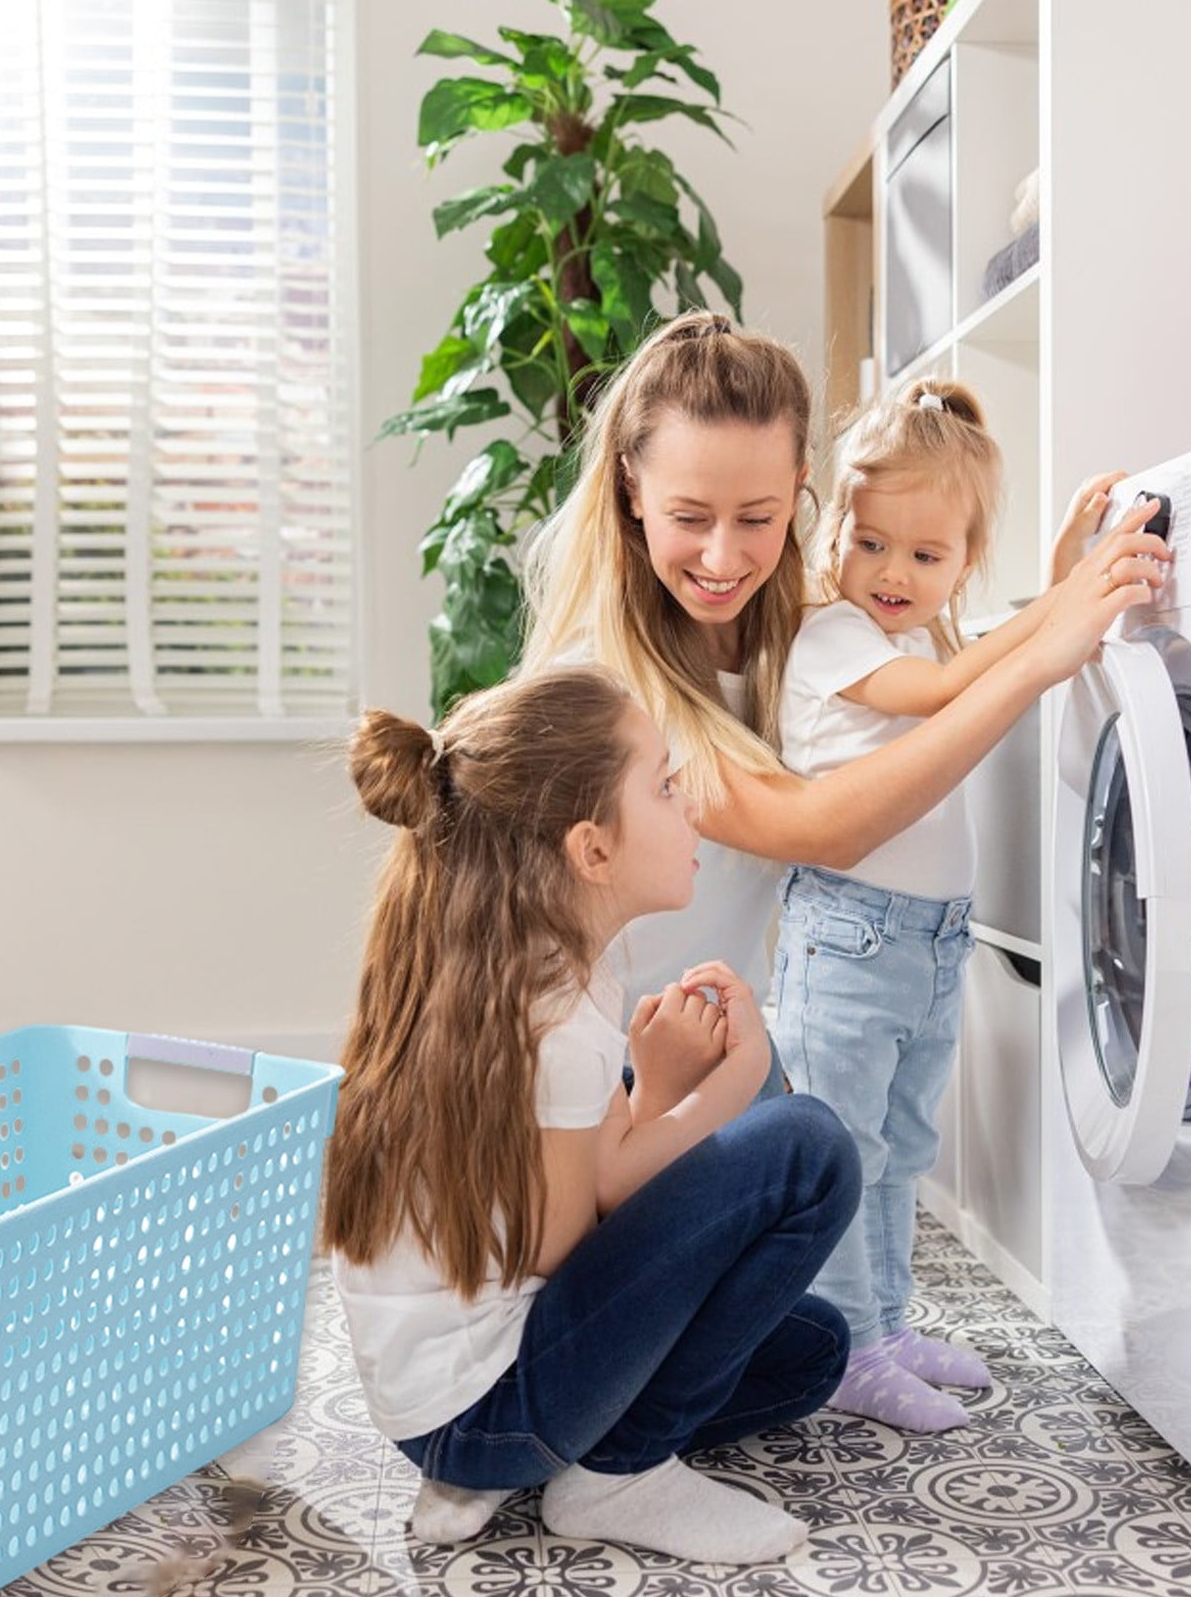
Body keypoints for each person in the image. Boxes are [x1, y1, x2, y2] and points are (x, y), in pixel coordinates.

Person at [326, 667, 861, 1565]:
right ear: (592, 850)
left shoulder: (538, 973)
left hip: (471, 1395)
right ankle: (617, 1473)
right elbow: (571, 1240)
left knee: (810, 1351)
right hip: (482, 1406)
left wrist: (657, 1090)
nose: (687, 798)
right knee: (805, 1146)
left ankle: (504, 1474)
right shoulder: (551, 1015)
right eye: (661, 783)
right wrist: (732, 1080)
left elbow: (577, 1198)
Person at [521, 310, 1169, 1022]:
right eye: (691, 517)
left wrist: (1055, 596)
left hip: (721, 1058)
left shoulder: (803, 632)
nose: (722, 557)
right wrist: (1045, 650)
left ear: (801, 489)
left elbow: (936, 660)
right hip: (603, 1078)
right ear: (630, 491)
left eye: (757, 518)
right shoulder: (604, 689)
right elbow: (822, 827)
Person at [767, 379, 1150, 1431]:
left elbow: (968, 657)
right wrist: (1057, 620)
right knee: (846, 1151)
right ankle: (840, 1344)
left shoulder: (923, 637)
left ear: (962, 564)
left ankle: (881, 1325)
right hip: (848, 936)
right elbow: (948, 698)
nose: (893, 573)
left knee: (899, 1145)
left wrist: (1060, 578)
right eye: (871, 542)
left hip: (924, 945)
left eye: (927, 557)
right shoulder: (833, 635)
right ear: (834, 531)